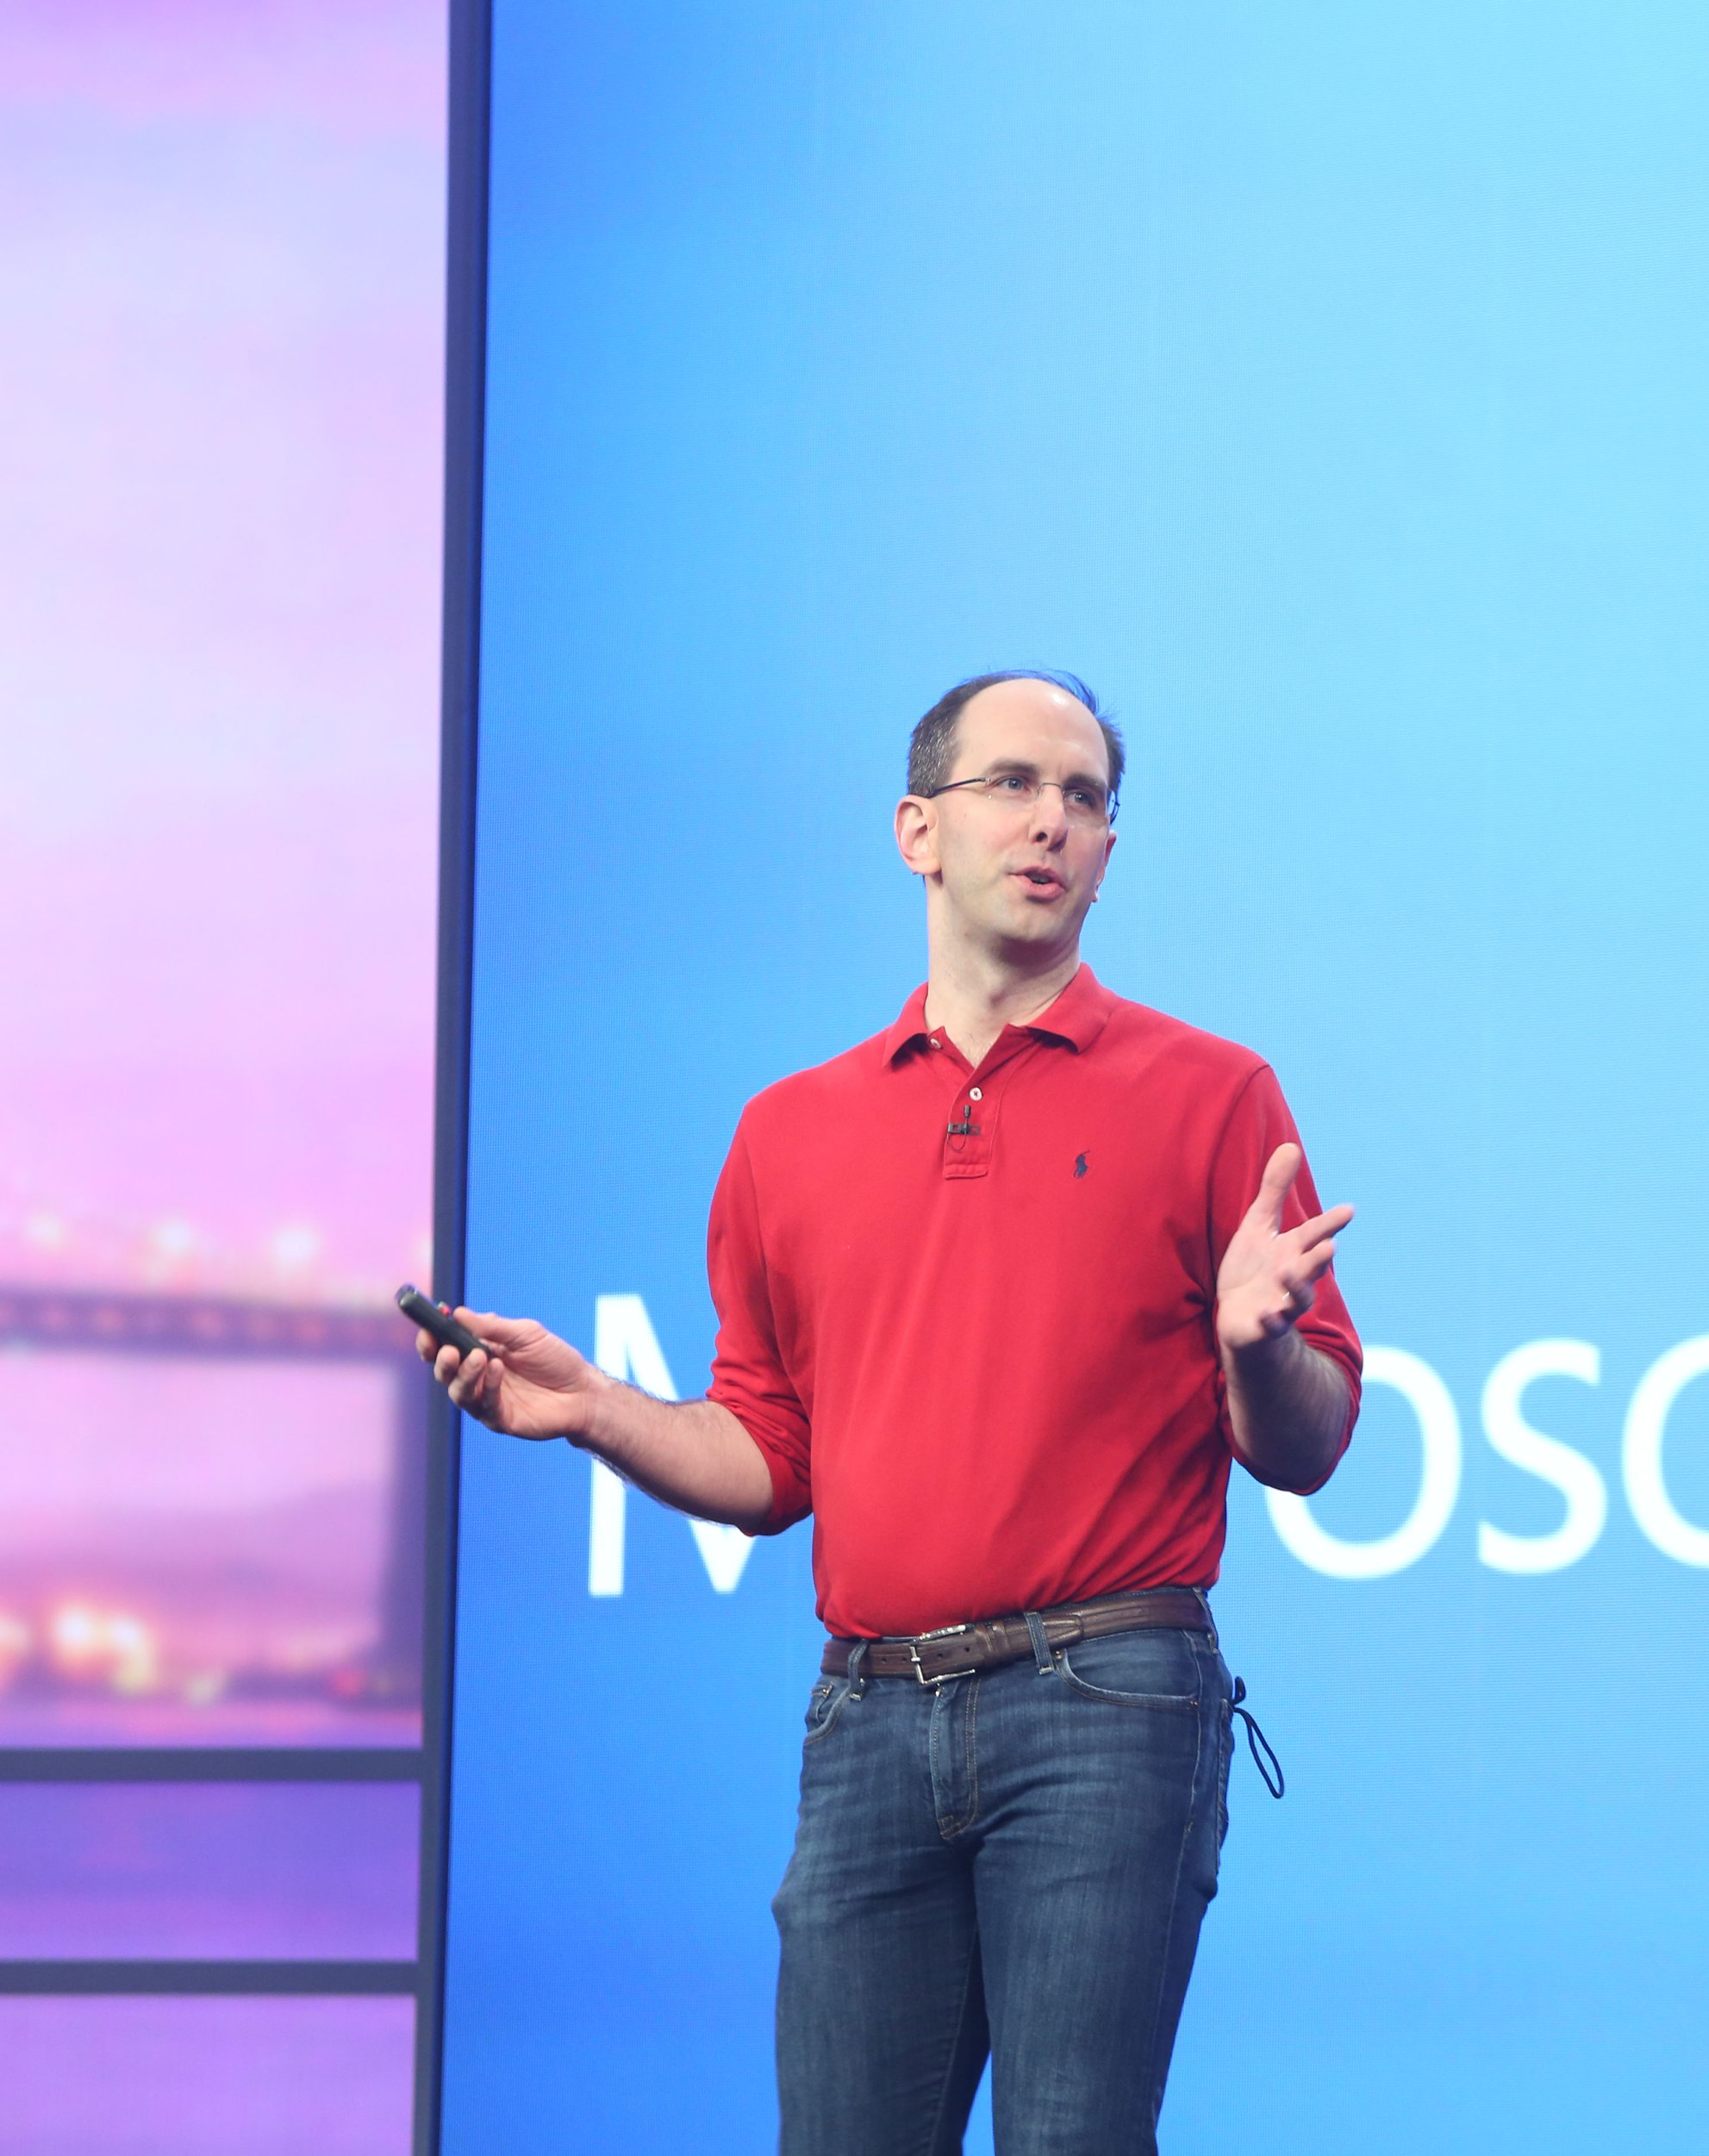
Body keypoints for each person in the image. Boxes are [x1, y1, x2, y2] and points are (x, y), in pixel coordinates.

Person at [419, 667, 1362, 2154]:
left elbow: (1308, 1446)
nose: (1052, 821)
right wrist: (595, 1409)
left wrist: (1258, 1348)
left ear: (1109, 851)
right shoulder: (788, 1131)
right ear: (918, 830)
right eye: (1014, 784)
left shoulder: (1215, 1094)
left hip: (1109, 1700)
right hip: (867, 1714)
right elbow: (768, 1458)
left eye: (1086, 798)